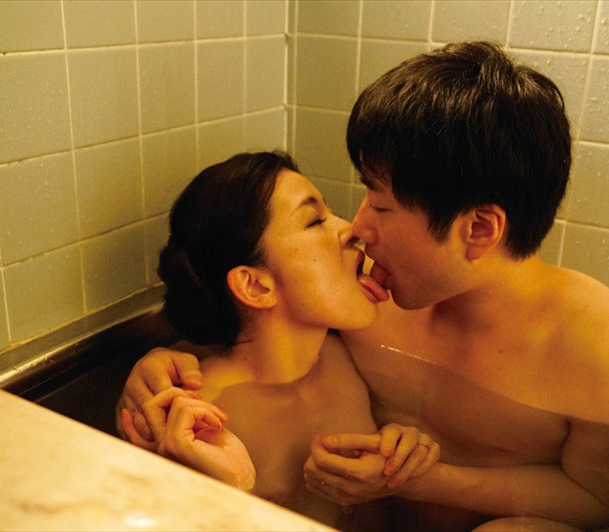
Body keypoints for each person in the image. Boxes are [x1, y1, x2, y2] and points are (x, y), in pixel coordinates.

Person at [117, 42, 609, 530]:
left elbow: (600, 499)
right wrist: (164, 363)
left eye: (381, 205)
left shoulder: (608, 359)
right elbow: (255, 329)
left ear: (479, 229)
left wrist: (429, 481)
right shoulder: (368, 297)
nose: (358, 227)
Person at [117, 151, 440, 529]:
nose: (351, 228)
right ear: (255, 285)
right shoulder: (199, 420)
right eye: (315, 220)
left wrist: (401, 453)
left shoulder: (345, 353)